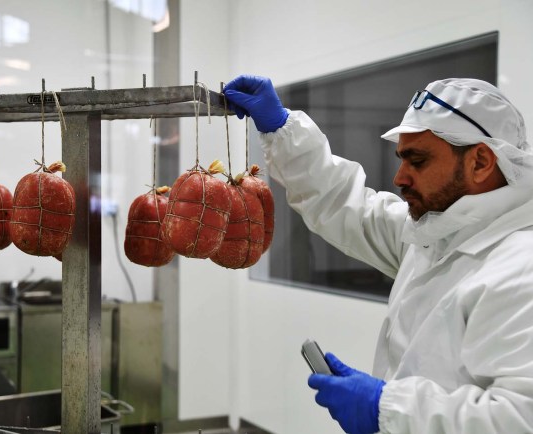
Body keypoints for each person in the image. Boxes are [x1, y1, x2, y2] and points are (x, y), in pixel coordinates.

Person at [223, 75, 533, 434]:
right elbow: (346, 205)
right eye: (402, 159)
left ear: (480, 162)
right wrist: (282, 130)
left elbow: (519, 418)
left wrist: (385, 406)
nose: (400, 177)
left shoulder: (520, 269)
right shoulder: (435, 236)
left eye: (417, 160)